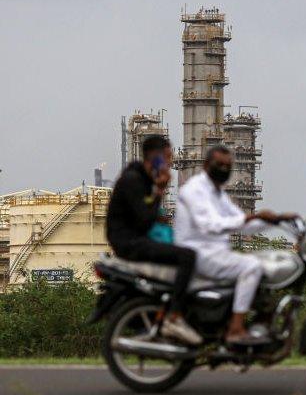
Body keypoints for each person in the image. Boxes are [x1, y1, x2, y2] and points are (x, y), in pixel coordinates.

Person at [174, 145, 295, 345]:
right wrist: (254, 216)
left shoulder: (218, 194)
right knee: (251, 267)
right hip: (198, 253)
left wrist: (277, 220)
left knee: (263, 263)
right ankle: (236, 329)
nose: (223, 169)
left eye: (228, 165)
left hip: (215, 252)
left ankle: (257, 322)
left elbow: (241, 223)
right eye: (219, 164)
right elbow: (210, 225)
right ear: (206, 165)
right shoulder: (194, 189)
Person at [106, 135, 202, 346]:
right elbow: (144, 220)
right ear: (155, 157)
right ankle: (174, 318)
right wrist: (160, 190)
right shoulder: (133, 180)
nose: (170, 162)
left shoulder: (141, 178)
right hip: (130, 242)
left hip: (136, 238)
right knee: (188, 257)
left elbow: (150, 214)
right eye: (168, 157)